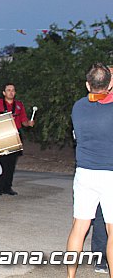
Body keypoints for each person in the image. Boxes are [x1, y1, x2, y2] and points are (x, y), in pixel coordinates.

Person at [66, 64, 113, 278]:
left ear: (87, 84)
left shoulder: (78, 107)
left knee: (79, 228)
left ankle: (70, 276)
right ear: (110, 84)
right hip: (110, 174)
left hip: (84, 173)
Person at [0, 83, 34, 196]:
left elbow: (23, 121)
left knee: (11, 163)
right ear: (4, 93)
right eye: (8, 90)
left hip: (15, 136)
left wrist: (29, 123)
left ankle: (8, 187)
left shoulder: (19, 105)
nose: (11, 92)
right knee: (2, 162)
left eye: (13, 90)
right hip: (2, 136)